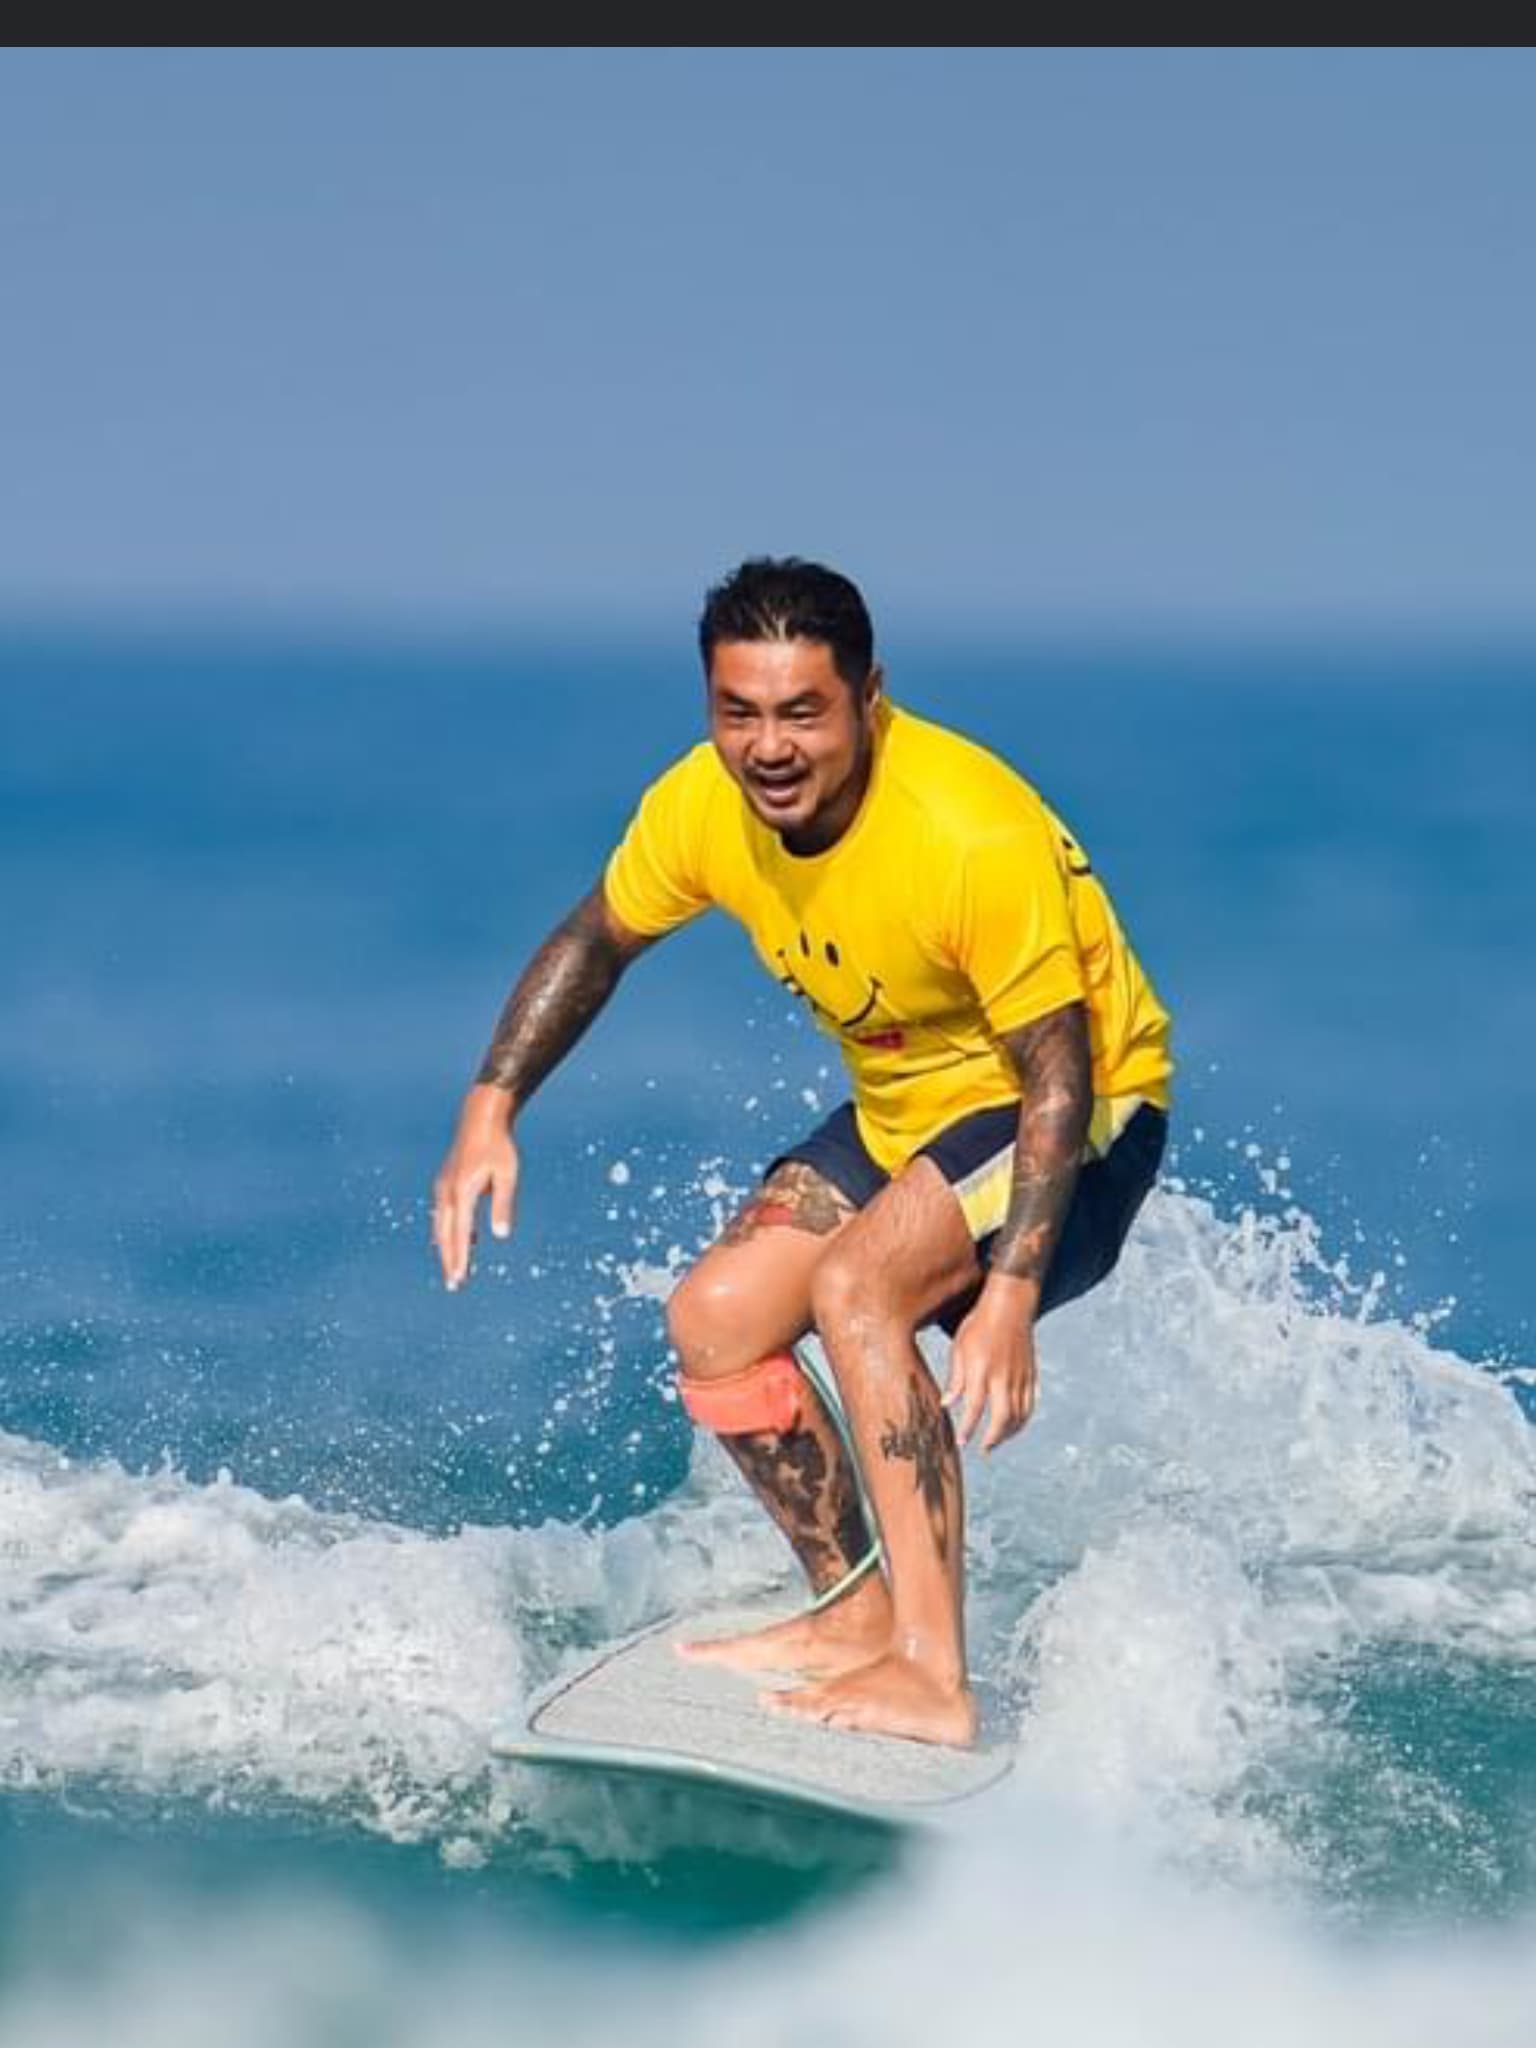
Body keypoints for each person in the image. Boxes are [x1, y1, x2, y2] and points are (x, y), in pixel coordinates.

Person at [433, 557, 1172, 1748]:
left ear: (868, 698)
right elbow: (597, 937)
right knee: (716, 1318)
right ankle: (855, 1608)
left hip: (1083, 1121)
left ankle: (933, 1672)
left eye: (802, 712)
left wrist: (1011, 1293)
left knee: (856, 1285)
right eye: (739, 712)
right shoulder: (703, 805)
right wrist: (491, 1105)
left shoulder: (963, 829)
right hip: (905, 1116)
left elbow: (1058, 1069)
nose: (768, 747)